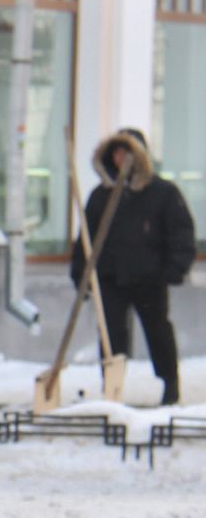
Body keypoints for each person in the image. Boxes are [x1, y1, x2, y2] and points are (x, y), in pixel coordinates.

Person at [71, 129, 196, 406]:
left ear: (139, 156)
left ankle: (169, 385)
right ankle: (112, 387)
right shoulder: (101, 196)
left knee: (158, 331)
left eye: (126, 153)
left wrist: (176, 267)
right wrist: (81, 273)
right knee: (110, 334)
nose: (120, 158)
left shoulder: (162, 193)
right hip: (111, 277)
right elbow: (87, 238)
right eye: (115, 153)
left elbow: (180, 232)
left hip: (150, 278)